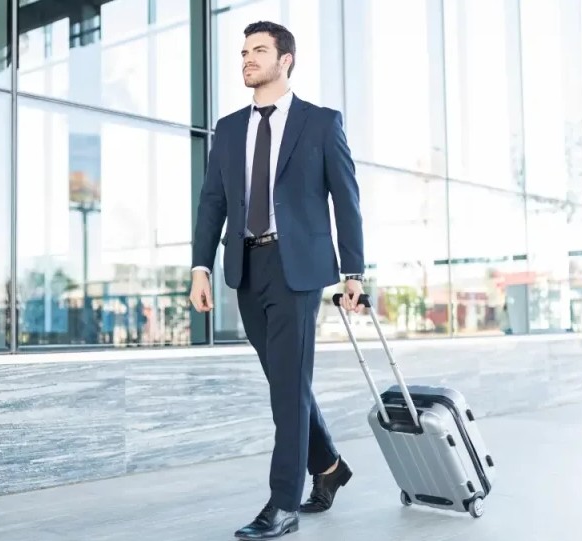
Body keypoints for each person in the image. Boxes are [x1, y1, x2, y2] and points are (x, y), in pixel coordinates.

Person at [190, 20, 366, 540]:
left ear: (284, 59)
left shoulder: (320, 123)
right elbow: (212, 202)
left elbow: (346, 200)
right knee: (286, 383)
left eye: (258, 50)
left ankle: (282, 503)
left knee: (287, 387)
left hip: (300, 270)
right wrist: (200, 265)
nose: (247, 58)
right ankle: (330, 466)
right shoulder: (228, 128)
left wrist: (353, 271)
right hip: (246, 266)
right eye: (244, 50)